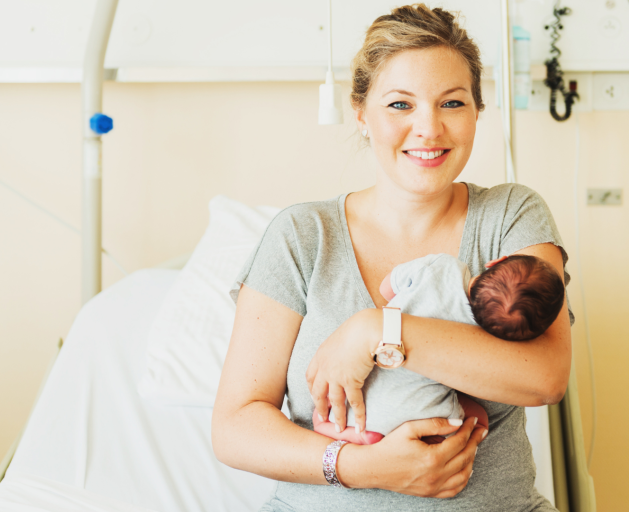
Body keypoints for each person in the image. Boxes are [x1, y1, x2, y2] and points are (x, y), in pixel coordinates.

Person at [212, 4, 573, 511]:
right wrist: (358, 467)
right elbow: (235, 425)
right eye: (401, 105)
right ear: (361, 113)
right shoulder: (302, 237)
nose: (428, 129)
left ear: (476, 111)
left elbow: (545, 376)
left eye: (452, 103)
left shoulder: (511, 216)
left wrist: (376, 332)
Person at [312, 253, 564, 446]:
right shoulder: (484, 340)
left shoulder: (444, 267)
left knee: (329, 413)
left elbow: (386, 288)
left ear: (497, 261)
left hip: (358, 397)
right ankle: (373, 438)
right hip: (417, 415)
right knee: (476, 418)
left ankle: (331, 427)